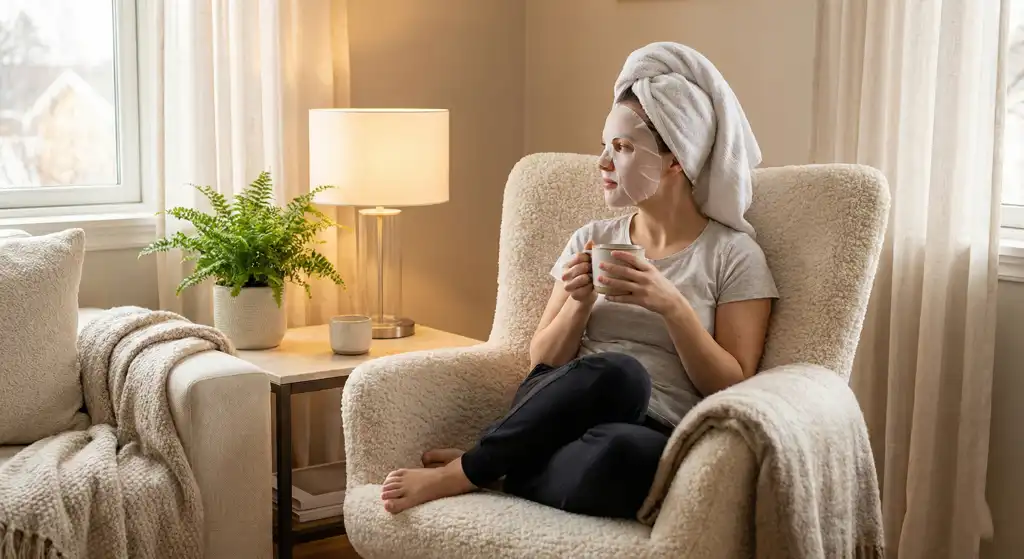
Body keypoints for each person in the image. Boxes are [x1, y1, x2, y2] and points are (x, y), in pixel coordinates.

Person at [379, 42, 779, 519]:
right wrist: (578, 302)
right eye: (605, 146)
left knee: (631, 458)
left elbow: (731, 385)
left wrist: (671, 306)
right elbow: (542, 359)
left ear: (676, 160)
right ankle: (463, 472)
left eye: (624, 148)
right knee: (619, 373)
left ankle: (504, 469)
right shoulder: (591, 239)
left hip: (650, 429)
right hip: (562, 406)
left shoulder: (734, 254)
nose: (604, 162)